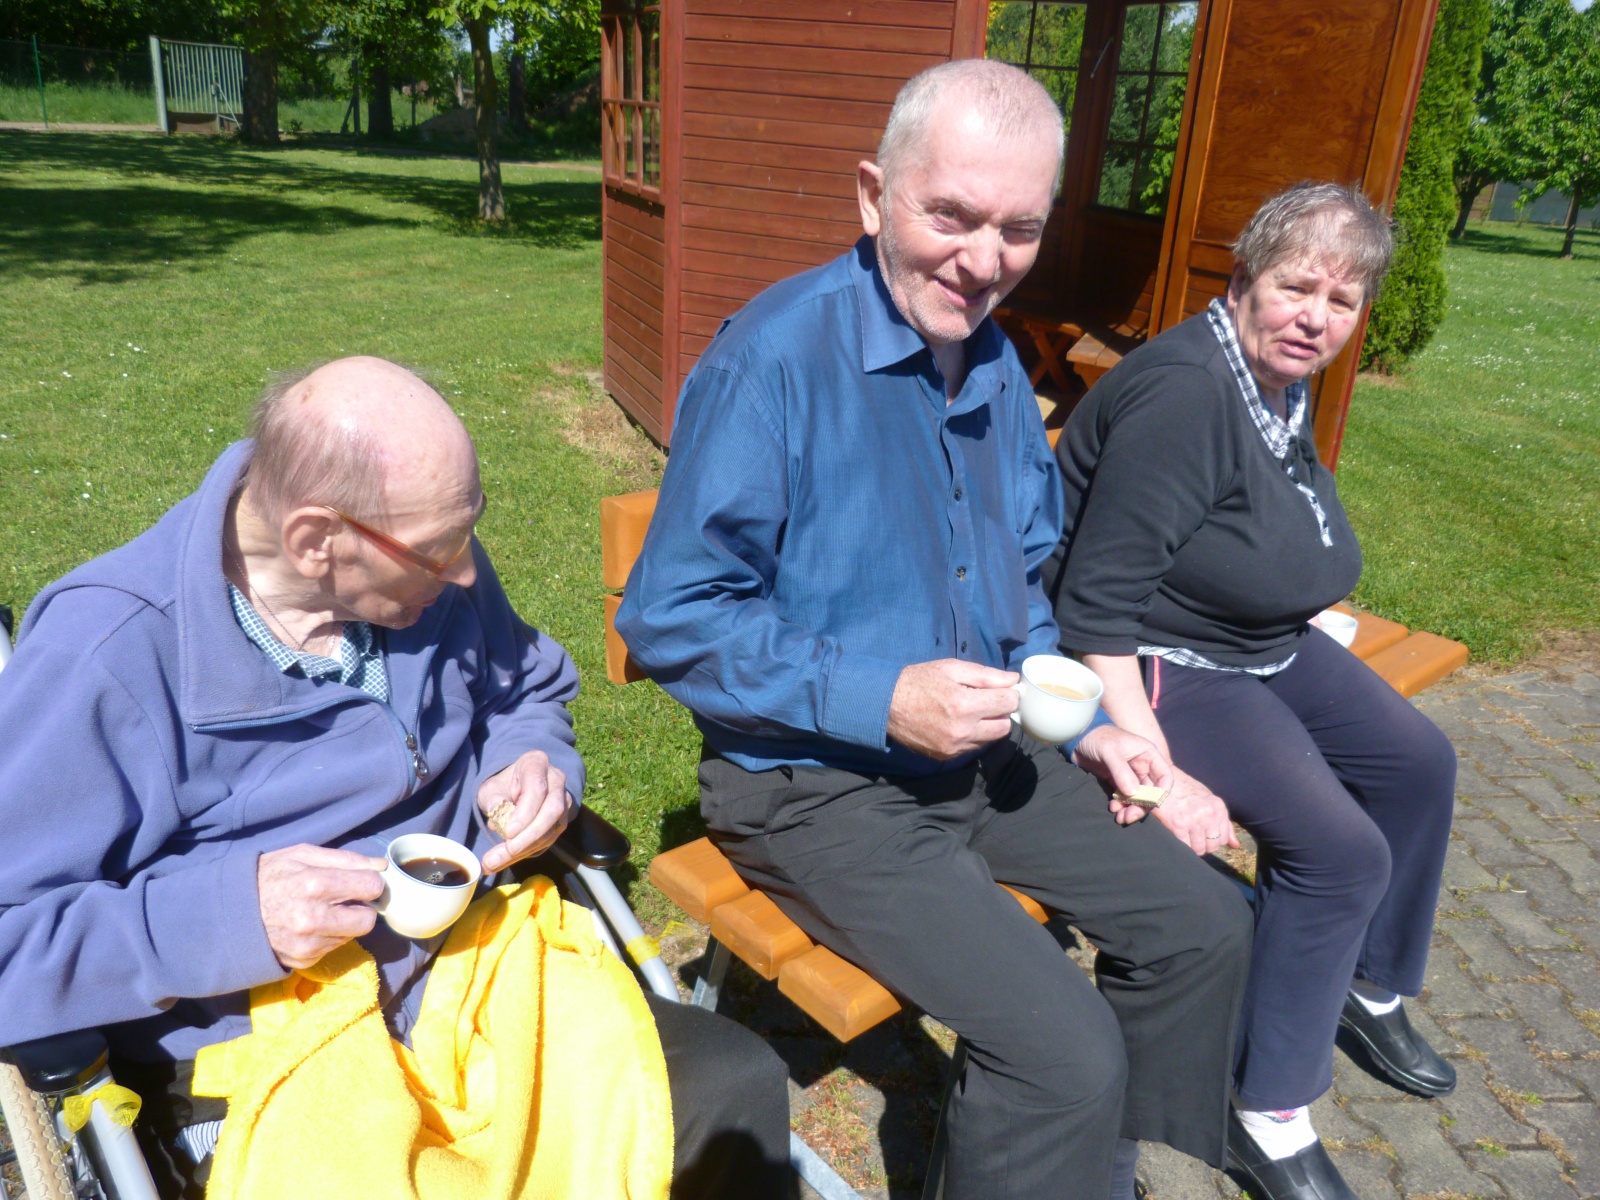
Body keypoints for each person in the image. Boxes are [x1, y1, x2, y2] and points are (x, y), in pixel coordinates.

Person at [616, 60, 1253, 1200]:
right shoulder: (773, 359)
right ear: (874, 196)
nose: (982, 259)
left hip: (985, 752)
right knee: (1061, 1052)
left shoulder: (997, 364)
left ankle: (1094, 1166)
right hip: (813, 785)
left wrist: (1091, 725)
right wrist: (883, 697)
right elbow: (670, 616)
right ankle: (1069, 1137)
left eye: (1018, 229)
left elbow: (1020, 587)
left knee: (1205, 923)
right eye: (949, 215)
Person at [0, 357, 791, 1200]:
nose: (465, 572)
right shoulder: (106, 659)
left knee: (730, 1087)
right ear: (315, 541)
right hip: (267, 1045)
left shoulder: (423, 564)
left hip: (476, 969)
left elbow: (522, 687)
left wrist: (530, 760)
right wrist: (232, 915)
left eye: (467, 532)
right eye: (437, 551)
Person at [1044, 183, 1458, 1200]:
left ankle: (1359, 983)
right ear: (1244, 280)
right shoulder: (1187, 395)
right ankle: (1264, 1106)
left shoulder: (1277, 375)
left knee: (1418, 766)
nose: (1316, 318)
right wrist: (1152, 761)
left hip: (1259, 639)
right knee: (1341, 854)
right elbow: (1094, 609)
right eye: (1295, 288)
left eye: (1342, 300)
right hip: (1163, 661)